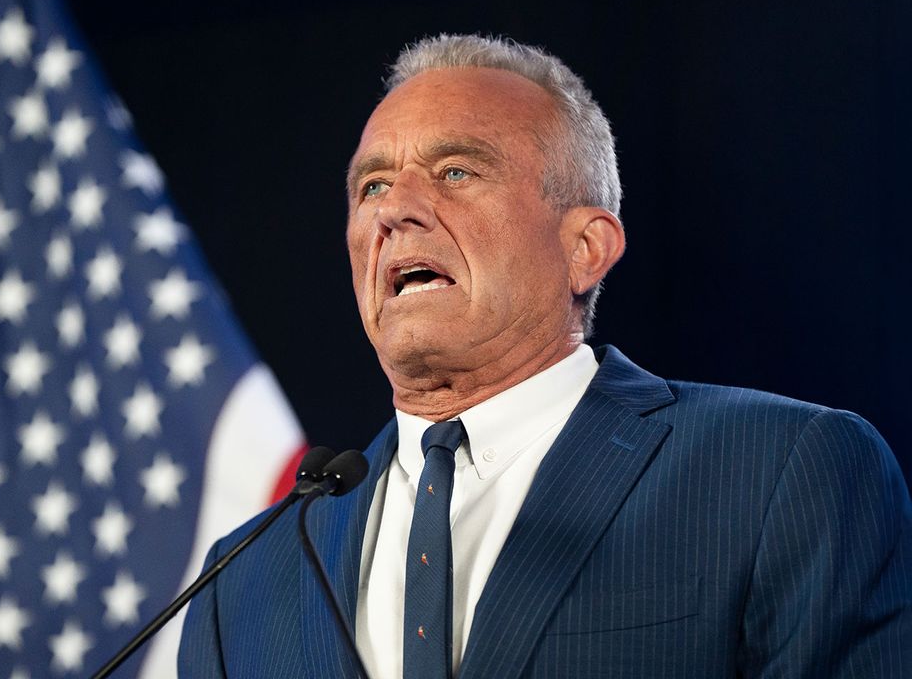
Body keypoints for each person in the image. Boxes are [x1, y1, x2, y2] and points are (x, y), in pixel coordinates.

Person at [178, 34, 911, 677]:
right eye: (372, 185)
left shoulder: (777, 471)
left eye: (456, 172)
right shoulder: (243, 579)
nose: (393, 210)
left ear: (585, 248)